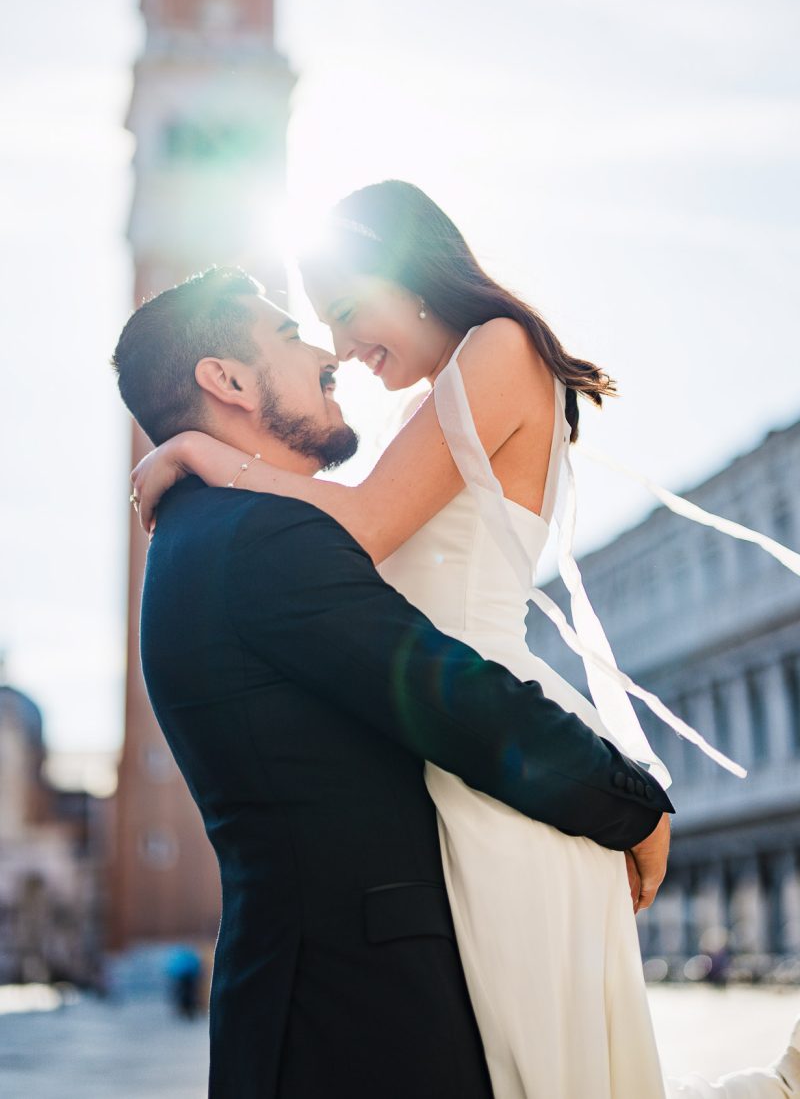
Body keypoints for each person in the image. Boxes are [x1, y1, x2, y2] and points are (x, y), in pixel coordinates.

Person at [132, 183, 800, 1098]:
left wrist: (202, 456)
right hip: (467, 776)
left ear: (403, 272)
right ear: (228, 380)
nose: (340, 349)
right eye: (313, 325)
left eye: (343, 310)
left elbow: (355, 533)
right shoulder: (414, 416)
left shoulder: (498, 349)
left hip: (503, 769)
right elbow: (346, 540)